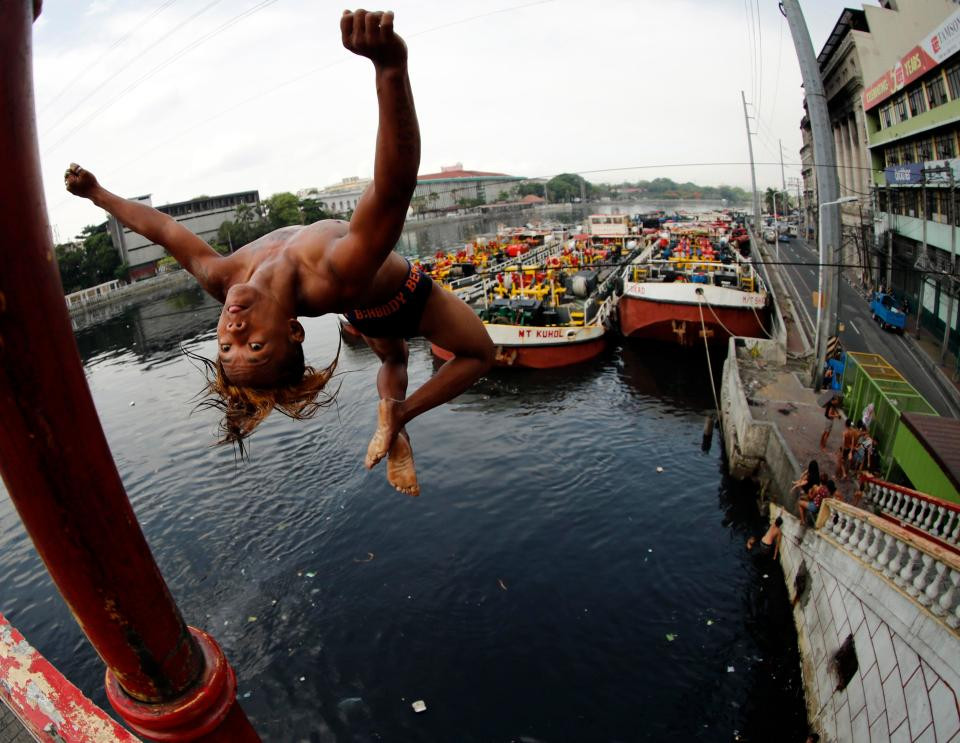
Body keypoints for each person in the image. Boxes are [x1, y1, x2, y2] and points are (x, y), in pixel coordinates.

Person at [65, 10, 494, 497]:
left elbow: (164, 230)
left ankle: (392, 421)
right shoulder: (334, 273)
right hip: (401, 298)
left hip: (362, 312)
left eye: (226, 347)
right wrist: (390, 69)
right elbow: (394, 189)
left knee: (393, 362)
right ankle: (401, 413)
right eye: (255, 346)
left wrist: (98, 193)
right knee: (479, 352)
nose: (233, 332)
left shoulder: (223, 279)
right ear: (293, 330)